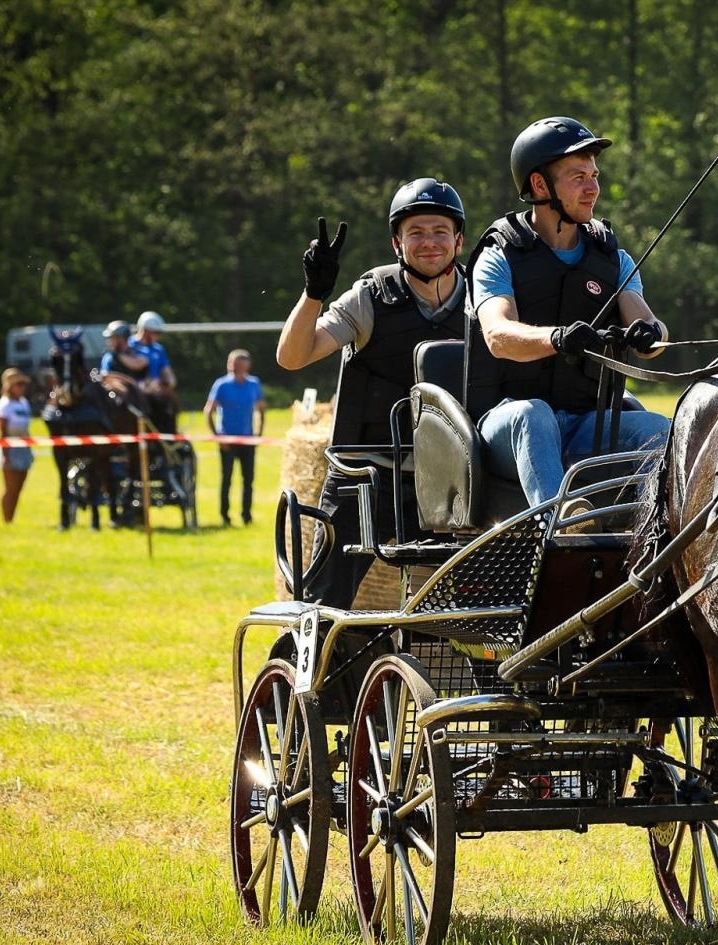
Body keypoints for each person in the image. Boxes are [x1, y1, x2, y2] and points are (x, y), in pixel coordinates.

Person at [276, 177, 468, 606]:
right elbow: (292, 357)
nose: (429, 242)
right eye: (415, 232)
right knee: (323, 603)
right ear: (397, 244)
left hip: (449, 485)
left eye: (440, 231)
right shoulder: (370, 296)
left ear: (459, 240)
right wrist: (314, 294)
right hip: (364, 477)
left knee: (470, 611)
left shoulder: (483, 302)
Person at [467, 116, 670, 508]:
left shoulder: (614, 259)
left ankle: (654, 536)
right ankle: (561, 527)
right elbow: (497, 335)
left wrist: (650, 334)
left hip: (584, 424)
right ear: (540, 185)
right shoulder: (498, 255)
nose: (593, 188)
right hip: (504, 426)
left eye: (594, 175)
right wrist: (556, 338)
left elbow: (648, 324)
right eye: (578, 176)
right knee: (534, 415)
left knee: (658, 428)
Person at [204, 349, 267, 525]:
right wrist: (218, 437)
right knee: (227, 480)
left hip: (248, 440)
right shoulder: (221, 385)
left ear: (246, 366)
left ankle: (246, 516)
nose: (233, 367)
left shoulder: (254, 384)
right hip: (228, 441)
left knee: (248, 481)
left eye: (237, 364)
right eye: (231, 363)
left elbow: (261, 409)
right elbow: (209, 411)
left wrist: (259, 434)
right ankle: (225, 516)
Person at [0, 367, 35, 523]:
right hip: (10, 449)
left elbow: (27, 428)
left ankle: (11, 517)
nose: (22, 387)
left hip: (23, 448)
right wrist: (5, 455)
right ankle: (6, 519)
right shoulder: (4, 405)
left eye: (23, 384)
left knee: (19, 487)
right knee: (10, 488)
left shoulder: (24, 403)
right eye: (19, 384)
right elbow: (2, 432)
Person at [129, 310, 178, 390]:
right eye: (156, 332)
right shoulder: (129, 346)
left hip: (155, 391)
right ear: (145, 331)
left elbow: (169, 374)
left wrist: (168, 382)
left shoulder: (158, 349)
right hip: (135, 391)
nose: (159, 336)